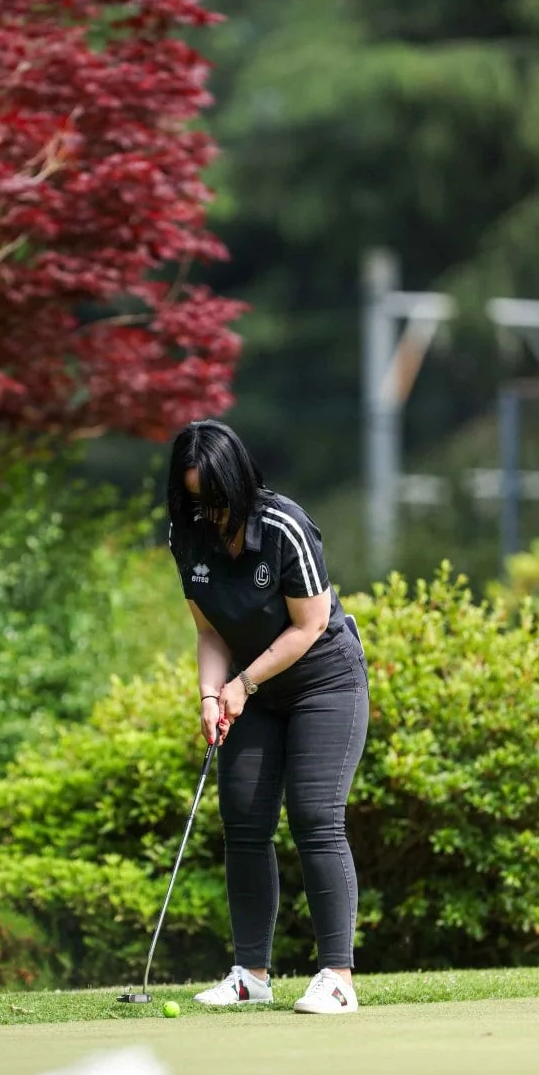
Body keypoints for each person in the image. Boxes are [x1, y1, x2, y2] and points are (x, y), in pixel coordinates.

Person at [167, 419, 369, 1015]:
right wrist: (211, 695)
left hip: (322, 681)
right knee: (246, 823)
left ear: (239, 484)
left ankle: (337, 977)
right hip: (250, 688)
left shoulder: (284, 525)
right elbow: (210, 631)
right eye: (194, 500)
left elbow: (309, 626)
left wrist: (243, 684)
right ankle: (250, 973)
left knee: (315, 816)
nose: (208, 513)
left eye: (216, 500)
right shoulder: (188, 536)